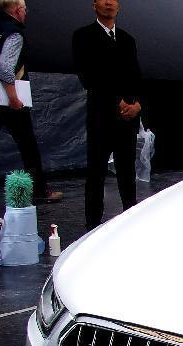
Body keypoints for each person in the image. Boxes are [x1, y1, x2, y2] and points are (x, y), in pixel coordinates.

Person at [72, 0, 142, 231]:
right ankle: (92, 226)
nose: (109, 3)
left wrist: (137, 105)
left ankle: (131, 220)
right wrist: (118, 102)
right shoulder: (83, 36)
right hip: (101, 117)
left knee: (127, 174)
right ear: (94, 5)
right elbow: (89, 77)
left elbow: (136, 76)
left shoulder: (127, 39)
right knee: (96, 174)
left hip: (127, 119)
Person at [0, 0, 62, 203]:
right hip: (6, 99)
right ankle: (39, 190)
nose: (26, 14)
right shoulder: (14, 33)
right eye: (25, 10)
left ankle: (39, 188)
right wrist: (13, 98)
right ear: (18, 11)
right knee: (28, 146)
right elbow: (5, 68)